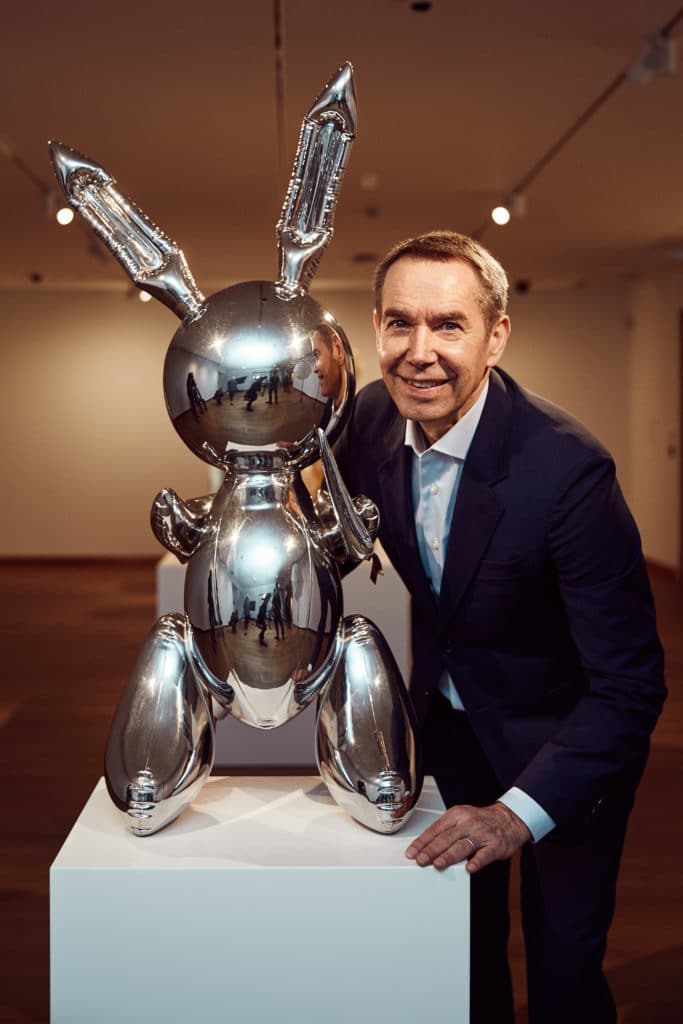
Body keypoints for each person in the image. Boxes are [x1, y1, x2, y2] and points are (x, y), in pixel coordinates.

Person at [333, 231, 665, 1024]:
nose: (419, 352)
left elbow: (629, 687)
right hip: (447, 726)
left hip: (567, 742)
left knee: (562, 964)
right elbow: (337, 540)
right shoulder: (368, 420)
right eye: (399, 323)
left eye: (448, 325)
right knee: (457, 953)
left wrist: (516, 814)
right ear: (375, 328)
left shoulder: (567, 471)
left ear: (496, 336)